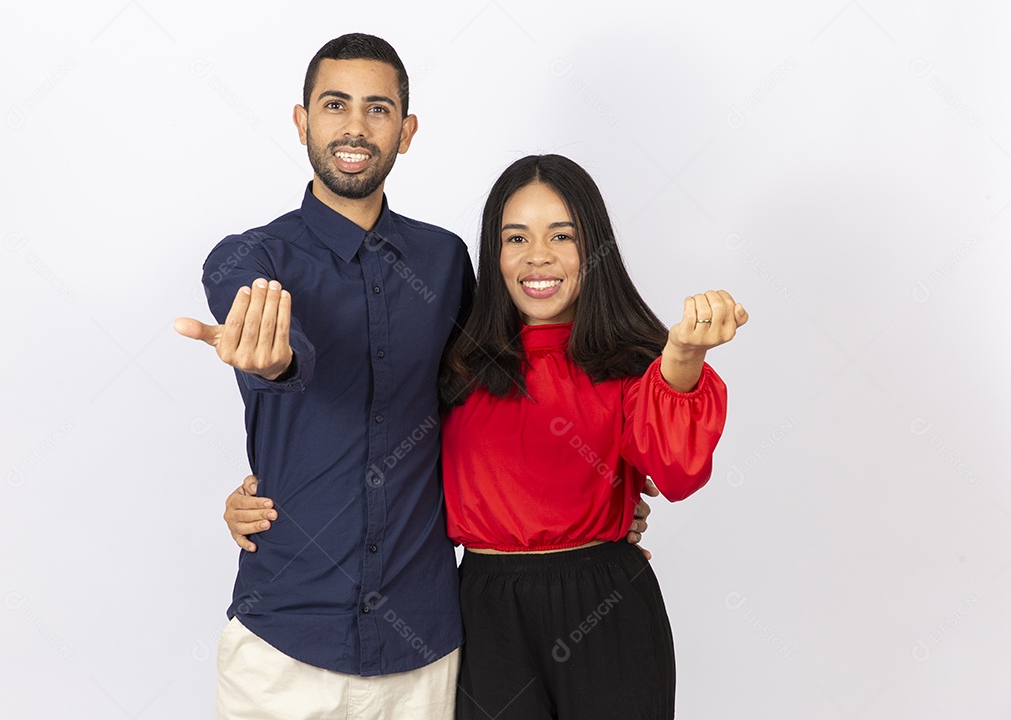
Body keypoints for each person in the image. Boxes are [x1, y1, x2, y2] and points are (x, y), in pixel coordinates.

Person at [176, 35, 655, 719]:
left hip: (425, 648)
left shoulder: (444, 261)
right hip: (282, 642)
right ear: (301, 121)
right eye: (334, 104)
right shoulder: (249, 258)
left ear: (406, 132)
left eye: (378, 109)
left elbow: (505, 391)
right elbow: (280, 346)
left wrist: (593, 494)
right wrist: (274, 358)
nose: (354, 127)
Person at [227, 154, 748, 719]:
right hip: (483, 610)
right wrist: (270, 495)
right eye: (516, 237)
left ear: (593, 248)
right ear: (493, 255)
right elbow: (377, 439)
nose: (538, 256)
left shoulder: (633, 364)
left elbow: (675, 472)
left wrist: (683, 363)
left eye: (562, 235)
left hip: (606, 603)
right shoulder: (459, 362)